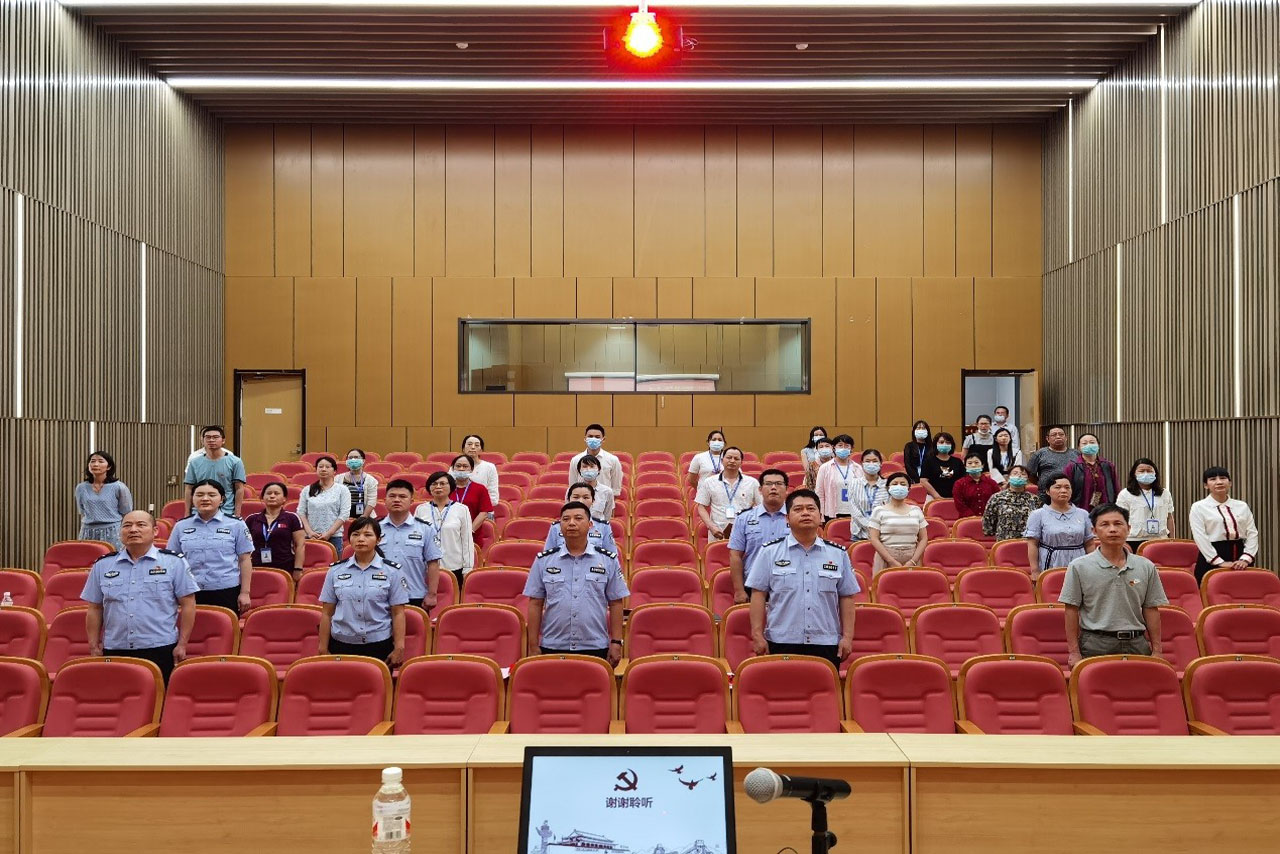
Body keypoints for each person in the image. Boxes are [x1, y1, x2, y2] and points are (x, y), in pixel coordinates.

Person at [745, 489, 859, 669]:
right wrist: (757, 635)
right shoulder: (769, 552)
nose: (805, 513)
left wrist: (847, 637)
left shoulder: (838, 554)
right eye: (798, 509)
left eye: (811, 509)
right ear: (787, 518)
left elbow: (847, 597)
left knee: (824, 688)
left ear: (820, 516)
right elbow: (758, 594)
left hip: (826, 641)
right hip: (781, 640)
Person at [81, 510, 198, 683]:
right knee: (118, 696)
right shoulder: (103, 565)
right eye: (127, 526)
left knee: (158, 696)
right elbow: (95, 608)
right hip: (115, 647)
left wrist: (182, 644)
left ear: (155, 531)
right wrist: (93, 645)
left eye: (141, 525)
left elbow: (188, 604)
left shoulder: (174, 562)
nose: (133, 530)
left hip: (160, 647)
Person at [1060, 503, 1168, 666]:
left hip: (1137, 643)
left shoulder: (1146, 566)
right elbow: (1071, 610)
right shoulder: (1078, 566)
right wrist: (1074, 652)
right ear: (1094, 531)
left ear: (1128, 528)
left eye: (1118, 524)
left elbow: (1151, 608)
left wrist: (1157, 650)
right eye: (1105, 524)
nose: (1112, 529)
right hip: (1096, 643)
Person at [523, 501, 628, 663]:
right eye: (566, 519)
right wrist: (533, 645)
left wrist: (616, 642)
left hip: (594, 645)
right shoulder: (544, 560)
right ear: (560, 526)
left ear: (590, 525)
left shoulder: (607, 560)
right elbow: (535, 603)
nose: (571, 523)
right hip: (553, 644)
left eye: (578, 518)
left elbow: (615, 603)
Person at [318, 516, 409, 665]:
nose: (361, 539)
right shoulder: (335, 570)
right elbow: (327, 613)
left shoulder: (392, 571)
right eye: (355, 534)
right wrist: (322, 647)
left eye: (367, 535)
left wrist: (399, 647)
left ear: (378, 540)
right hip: (341, 644)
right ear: (349, 539)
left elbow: (398, 613)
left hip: (379, 645)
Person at [166, 479, 253, 614]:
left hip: (226, 590)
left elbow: (244, 560)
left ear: (221, 499)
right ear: (192, 498)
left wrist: (245, 592)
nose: (205, 499)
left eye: (212, 495)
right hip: (189, 590)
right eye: (199, 495)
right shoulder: (181, 526)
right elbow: (172, 560)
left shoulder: (236, 525)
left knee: (225, 626)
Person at [728, 468, 791, 604]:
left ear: (787, 489)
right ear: (760, 490)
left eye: (779, 484)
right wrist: (739, 590)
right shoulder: (744, 518)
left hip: (790, 586)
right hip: (754, 585)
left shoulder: (796, 517)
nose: (773, 488)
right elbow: (735, 556)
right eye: (768, 484)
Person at [379, 479, 444, 610]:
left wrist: (432, 594)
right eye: (392, 496)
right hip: (380, 595)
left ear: (411, 501)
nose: (397, 500)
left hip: (414, 594)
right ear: (385, 500)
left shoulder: (425, 529)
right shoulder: (374, 528)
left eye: (402, 496)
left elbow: (433, 563)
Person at [1189, 466, 1260, 582]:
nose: (1219, 482)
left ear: (1230, 483)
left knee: (1243, 589)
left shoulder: (1242, 506)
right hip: (1210, 556)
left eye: (1223, 478)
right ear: (1206, 485)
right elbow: (1200, 537)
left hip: (1240, 555)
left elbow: (1252, 533)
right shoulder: (1198, 507)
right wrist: (1218, 561)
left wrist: (1246, 558)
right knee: (1210, 591)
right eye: (1213, 479)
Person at [1024, 474, 1096, 577]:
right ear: (1048, 491)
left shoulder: (1083, 514)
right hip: (1051, 562)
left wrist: (1093, 567)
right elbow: (1032, 544)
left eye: (1067, 487)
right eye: (1058, 487)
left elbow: (1089, 543)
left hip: (1079, 561)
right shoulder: (1038, 514)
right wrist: (1035, 570)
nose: (1063, 491)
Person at [415, 471, 474, 590]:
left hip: (454, 566)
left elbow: (467, 540)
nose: (438, 487)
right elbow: (416, 539)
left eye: (442, 483)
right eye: (434, 484)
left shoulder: (462, 509)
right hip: (426, 567)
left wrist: (467, 568)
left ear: (451, 486)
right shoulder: (421, 509)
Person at [695, 446, 762, 542]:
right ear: (722, 460)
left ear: (741, 462)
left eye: (736, 458)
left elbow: (761, 506)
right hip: (717, 533)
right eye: (729, 457)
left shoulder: (752, 483)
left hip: (745, 533)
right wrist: (711, 526)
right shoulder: (709, 482)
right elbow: (701, 507)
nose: (732, 461)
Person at [867, 472, 928, 573]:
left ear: (908, 489)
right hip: (886, 557)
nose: (899, 486)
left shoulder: (916, 510)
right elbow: (874, 538)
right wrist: (891, 561)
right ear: (888, 488)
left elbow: (923, 538)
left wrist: (913, 561)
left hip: (912, 557)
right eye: (895, 484)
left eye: (903, 484)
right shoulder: (879, 511)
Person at [244, 481, 305, 581]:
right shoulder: (252, 519)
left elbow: (300, 545)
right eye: (268, 493)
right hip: (256, 567)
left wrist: (298, 569)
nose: (272, 496)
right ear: (263, 497)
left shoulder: (292, 518)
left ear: (284, 498)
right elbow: (243, 545)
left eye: (276, 493)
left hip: (285, 567)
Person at [1115, 459, 1176, 553]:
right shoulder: (1125, 494)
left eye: (1149, 471)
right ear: (1134, 474)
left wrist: (1172, 539)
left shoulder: (1164, 493)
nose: (1146, 473)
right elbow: (1120, 519)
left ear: (1155, 473)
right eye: (1141, 471)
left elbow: (1169, 518)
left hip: (1160, 539)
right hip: (1133, 540)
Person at [183, 425, 245, 517]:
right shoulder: (194, 462)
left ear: (223, 440)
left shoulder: (235, 461)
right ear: (202, 440)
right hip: (199, 512)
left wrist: (237, 514)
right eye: (208, 437)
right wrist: (187, 513)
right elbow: (189, 488)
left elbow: (239, 488)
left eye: (215, 437)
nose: (211, 440)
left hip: (226, 511)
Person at [76, 451, 133, 549]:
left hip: (112, 531)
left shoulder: (119, 487)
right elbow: (82, 510)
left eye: (100, 461)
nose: (95, 464)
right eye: (92, 461)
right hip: (88, 530)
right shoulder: (81, 487)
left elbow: (126, 512)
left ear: (109, 467)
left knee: (113, 556)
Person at [297, 456, 350, 554]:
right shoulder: (307, 489)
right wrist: (309, 532)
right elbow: (301, 512)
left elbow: (344, 514)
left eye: (327, 467)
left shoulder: (342, 490)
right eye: (320, 467)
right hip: (311, 536)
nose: (323, 469)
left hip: (334, 537)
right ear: (316, 470)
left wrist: (329, 533)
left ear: (334, 471)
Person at [545, 482, 617, 554]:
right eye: (576, 497)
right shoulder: (556, 527)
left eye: (586, 497)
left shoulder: (603, 527)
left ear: (593, 501)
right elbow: (548, 557)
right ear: (568, 499)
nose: (580, 501)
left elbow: (611, 556)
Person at [982, 464, 1040, 542]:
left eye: (1023, 474)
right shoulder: (997, 497)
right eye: (1015, 473)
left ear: (1027, 479)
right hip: (1005, 541)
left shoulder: (1034, 499)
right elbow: (988, 520)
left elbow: (1039, 522)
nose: (1019, 476)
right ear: (1009, 477)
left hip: (1029, 542)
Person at [1062, 433, 1119, 510]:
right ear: (1079, 447)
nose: (1088, 445)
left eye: (1092, 442)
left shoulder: (1108, 465)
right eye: (1084, 443)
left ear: (1098, 445)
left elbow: (1116, 487)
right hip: (1080, 509)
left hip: (1106, 509)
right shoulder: (1072, 466)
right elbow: (1065, 488)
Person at [449, 454, 495, 547]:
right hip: (449, 536)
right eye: (458, 466)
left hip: (472, 536)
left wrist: (469, 531)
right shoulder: (447, 488)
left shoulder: (480, 489)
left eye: (465, 466)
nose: (461, 469)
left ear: (472, 469)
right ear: (453, 469)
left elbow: (484, 513)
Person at [846, 449, 889, 541]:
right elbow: (853, 509)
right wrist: (869, 526)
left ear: (881, 464)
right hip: (859, 533)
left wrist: (878, 528)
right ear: (862, 464)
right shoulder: (853, 483)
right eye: (868, 461)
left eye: (875, 461)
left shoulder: (887, 485)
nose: (871, 464)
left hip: (883, 533)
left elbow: (890, 509)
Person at [569, 424, 623, 495]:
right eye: (590, 436)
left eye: (597, 437)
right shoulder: (575, 460)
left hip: (604, 499)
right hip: (582, 499)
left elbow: (616, 489)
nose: (593, 439)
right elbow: (572, 486)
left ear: (603, 439)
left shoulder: (613, 460)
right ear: (585, 438)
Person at [1027, 425, 1079, 498]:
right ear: (1047, 439)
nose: (1058, 437)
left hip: (1072, 494)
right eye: (1054, 435)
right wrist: (1043, 484)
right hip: (1045, 495)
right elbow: (1030, 474)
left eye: (1061, 434)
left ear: (1066, 438)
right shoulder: (1039, 454)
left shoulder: (1076, 454)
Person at [814, 434, 858, 520]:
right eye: (840, 445)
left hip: (855, 513)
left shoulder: (857, 468)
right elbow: (820, 493)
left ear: (851, 449)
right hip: (832, 513)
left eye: (847, 446)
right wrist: (821, 516)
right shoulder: (825, 468)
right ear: (834, 448)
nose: (843, 448)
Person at [336, 448, 379, 519]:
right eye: (350, 458)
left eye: (356, 457)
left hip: (364, 517)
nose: (353, 460)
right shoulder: (338, 479)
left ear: (363, 461)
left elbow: (372, 501)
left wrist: (364, 517)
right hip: (342, 517)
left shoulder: (371, 480)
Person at [921, 431, 965, 500]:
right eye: (941, 442)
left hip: (954, 498)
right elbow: (923, 481)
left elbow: (963, 480)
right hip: (933, 498)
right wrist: (937, 497)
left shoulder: (957, 462)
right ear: (935, 444)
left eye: (948, 442)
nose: (945, 444)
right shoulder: (929, 461)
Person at [953, 453, 999, 518]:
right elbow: (959, 504)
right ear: (965, 466)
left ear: (982, 465)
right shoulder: (959, 484)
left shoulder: (991, 483)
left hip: (989, 519)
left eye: (976, 462)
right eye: (970, 463)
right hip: (967, 519)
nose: (973, 465)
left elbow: (997, 501)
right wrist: (972, 517)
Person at [462, 434, 501, 510]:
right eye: (469, 444)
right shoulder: (455, 467)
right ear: (463, 448)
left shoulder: (489, 467)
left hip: (482, 509)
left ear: (481, 450)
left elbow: (493, 497)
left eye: (477, 445)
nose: (473, 447)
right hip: (459, 509)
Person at [575, 454, 615, 522]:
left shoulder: (607, 491)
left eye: (592, 466)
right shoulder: (572, 490)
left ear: (598, 470)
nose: (588, 469)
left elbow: (607, 516)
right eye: (584, 466)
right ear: (579, 470)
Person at [903, 420, 933, 484]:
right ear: (914, 431)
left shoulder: (932, 446)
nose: (921, 430)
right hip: (913, 478)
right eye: (918, 428)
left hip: (930, 479)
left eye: (923, 428)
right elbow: (908, 464)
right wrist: (917, 479)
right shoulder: (909, 446)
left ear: (927, 431)